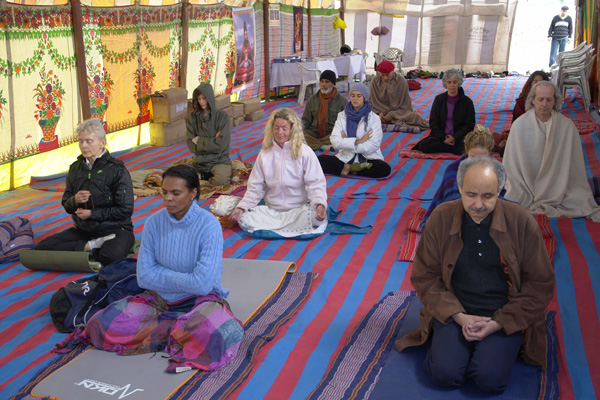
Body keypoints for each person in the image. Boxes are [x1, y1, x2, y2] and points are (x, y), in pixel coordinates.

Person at [59, 164, 244, 372]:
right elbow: (144, 278)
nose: (168, 198)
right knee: (100, 324)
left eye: (176, 193)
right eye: (164, 192)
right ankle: (180, 331)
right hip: (159, 302)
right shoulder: (154, 223)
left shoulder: (208, 225)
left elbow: (201, 285)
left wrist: (160, 274)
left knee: (220, 334)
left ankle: (173, 330)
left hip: (199, 302)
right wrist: (185, 278)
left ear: (193, 193)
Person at [396, 156, 555, 393]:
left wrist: (499, 323)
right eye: (470, 194)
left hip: (504, 313)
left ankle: (491, 347)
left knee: (490, 380)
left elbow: (539, 283)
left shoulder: (521, 221)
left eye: (488, 196)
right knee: (445, 375)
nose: (478, 204)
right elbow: (425, 277)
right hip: (455, 310)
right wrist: (458, 316)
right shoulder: (441, 217)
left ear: (500, 190)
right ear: (459, 188)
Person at [35, 119, 134, 267]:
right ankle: (91, 246)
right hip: (84, 230)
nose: (83, 146)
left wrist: (92, 214)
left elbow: (125, 210)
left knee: (112, 256)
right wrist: (74, 200)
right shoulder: (75, 169)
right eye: (80, 141)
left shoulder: (117, 170)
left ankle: (90, 248)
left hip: (115, 229)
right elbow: (66, 204)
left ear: (102, 143)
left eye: (89, 141)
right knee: (42, 248)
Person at [503, 81, 600, 222]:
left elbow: (574, 167)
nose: (544, 104)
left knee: (579, 198)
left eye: (549, 100)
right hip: (527, 184)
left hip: (560, 183)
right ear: (533, 100)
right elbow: (512, 165)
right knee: (514, 198)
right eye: (540, 99)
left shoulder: (567, 126)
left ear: (555, 101)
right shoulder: (519, 126)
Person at [229, 108, 328, 237]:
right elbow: (255, 187)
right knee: (244, 217)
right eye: (276, 128)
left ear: (292, 129)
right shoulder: (264, 154)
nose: (280, 132)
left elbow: (315, 183)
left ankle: (279, 227)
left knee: (316, 217)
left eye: (284, 128)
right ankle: (288, 228)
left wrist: (319, 204)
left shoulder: (305, 152)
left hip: (298, 211)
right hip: (272, 211)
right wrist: (242, 207)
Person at [420, 125, 494, 231]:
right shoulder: (454, 170)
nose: (477, 162)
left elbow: (500, 198)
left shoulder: (494, 170)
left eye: (482, 158)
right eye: (473, 157)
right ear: (466, 150)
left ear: (489, 153)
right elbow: (453, 202)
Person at [318, 84, 391, 178]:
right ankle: (354, 169)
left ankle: (350, 169)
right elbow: (335, 141)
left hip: (368, 158)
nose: (355, 99)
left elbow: (373, 145)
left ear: (364, 98)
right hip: (346, 157)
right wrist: (358, 141)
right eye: (353, 95)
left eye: (359, 96)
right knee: (319, 160)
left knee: (384, 168)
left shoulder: (374, 118)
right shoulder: (342, 116)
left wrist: (347, 142)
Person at [412, 69, 475, 155]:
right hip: (441, 137)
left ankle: (452, 147)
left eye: (455, 82)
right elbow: (433, 122)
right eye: (449, 82)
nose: (452, 85)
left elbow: (469, 124)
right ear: (445, 83)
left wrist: (454, 137)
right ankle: (454, 148)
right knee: (423, 146)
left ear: (459, 83)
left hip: (459, 138)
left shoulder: (467, 102)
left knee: (471, 145)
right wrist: (443, 138)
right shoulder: (439, 99)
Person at [186, 83, 231, 185]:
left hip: (219, 160)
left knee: (221, 181)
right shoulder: (193, 118)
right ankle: (203, 176)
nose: (201, 102)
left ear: (209, 98)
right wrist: (213, 140)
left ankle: (203, 177)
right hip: (199, 161)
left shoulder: (222, 116)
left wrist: (199, 140)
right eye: (199, 99)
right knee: (180, 177)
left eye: (204, 98)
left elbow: (221, 145)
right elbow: (190, 144)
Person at [369, 60, 429, 130]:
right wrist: (378, 113)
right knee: (363, 115)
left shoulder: (401, 81)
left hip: (399, 113)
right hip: (380, 113)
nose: (385, 78)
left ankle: (391, 121)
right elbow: (371, 102)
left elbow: (406, 105)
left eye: (388, 75)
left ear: (393, 71)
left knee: (415, 116)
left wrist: (392, 115)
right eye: (382, 75)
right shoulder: (374, 82)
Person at [302, 70, 347, 151]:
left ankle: (314, 144)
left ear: (333, 84)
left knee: (342, 137)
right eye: (322, 81)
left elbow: (346, 122)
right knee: (297, 135)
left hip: (331, 134)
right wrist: (299, 128)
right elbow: (306, 120)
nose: (323, 84)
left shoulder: (342, 101)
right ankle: (323, 146)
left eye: (327, 82)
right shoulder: (312, 99)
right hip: (314, 133)